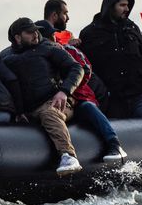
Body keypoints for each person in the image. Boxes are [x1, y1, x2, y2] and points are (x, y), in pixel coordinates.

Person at [1, 18, 86, 175]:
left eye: (36, 30)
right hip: (26, 110)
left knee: (49, 113)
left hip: (55, 102)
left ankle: (69, 156)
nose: (35, 34)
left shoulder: (49, 47)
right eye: (29, 32)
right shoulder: (6, 57)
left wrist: (64, 91)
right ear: (17, 37)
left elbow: (76, 68)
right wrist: (17, 111)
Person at [36, 20, 127, 163]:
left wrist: (67, 87)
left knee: (89, 107)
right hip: (54, 103)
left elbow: (84, 70)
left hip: (79, 98)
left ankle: (114, 144)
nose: (52, 39)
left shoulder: (68, 50)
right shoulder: (35, 58)